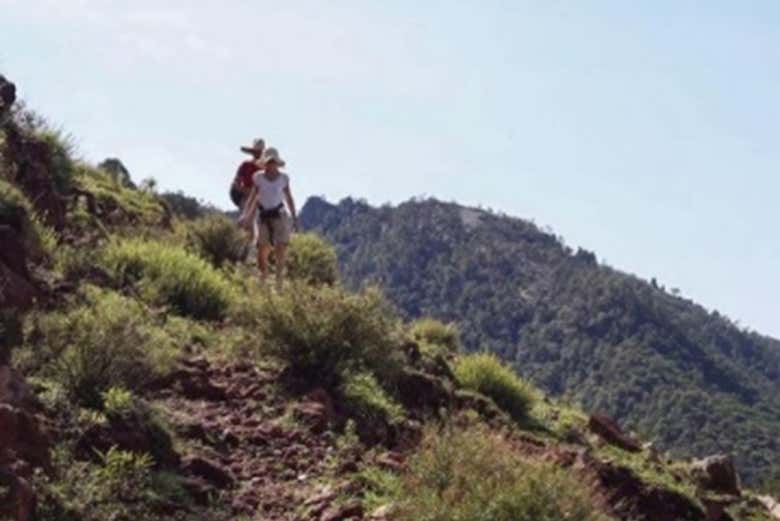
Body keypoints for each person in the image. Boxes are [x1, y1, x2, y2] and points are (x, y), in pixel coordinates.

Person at [239, 147, 298, 290]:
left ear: (277, 163)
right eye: (268, 162)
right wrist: (246, 215)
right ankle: (263, 281)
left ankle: (279, 284)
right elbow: (253, 197)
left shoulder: (283, 178)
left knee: (280, 248)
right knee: (262, 249)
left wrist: (295, 217)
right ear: (264, 163)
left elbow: (289, 198)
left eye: (273, 162)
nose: (271, 164)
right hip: (263, 215)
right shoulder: (258, 177)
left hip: (279, 215)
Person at [230, 138, 265, 209]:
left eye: (259, 152)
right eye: (256, 152)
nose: (257, 154)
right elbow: (235, 184)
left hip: (262, 201)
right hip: (246, 198)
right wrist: (245, 191)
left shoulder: (266, 168)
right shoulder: (245, 165)